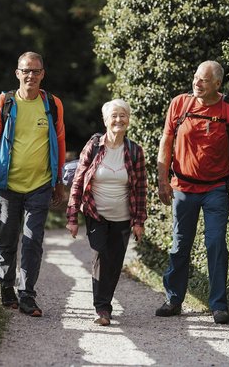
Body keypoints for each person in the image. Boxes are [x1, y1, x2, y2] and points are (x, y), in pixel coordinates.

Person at [155, 60, 229, 324]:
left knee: (216, 243)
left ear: (217, 84)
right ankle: (173, 299)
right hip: (183, 186)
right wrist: (163, 181)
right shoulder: (180, 104)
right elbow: (166, 140)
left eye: (203, 80)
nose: (197, 83)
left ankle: (218, 305)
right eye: (196, 77)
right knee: (180, 244)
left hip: (216, 188)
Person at [0, 51, 66, 317]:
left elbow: (60, 142)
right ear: (17, 73)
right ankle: (6, 287)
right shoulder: (4, 103)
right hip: (8, 185)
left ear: (43, 74)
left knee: (33, 240)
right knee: (8, 239)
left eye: (36, 71)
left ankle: (27, 294)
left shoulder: (52, 104)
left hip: (40, 185)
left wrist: (58, 181)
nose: (31, 75)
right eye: (26, 70)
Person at [66, 99, 147, 326]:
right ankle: (102, 308)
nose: (118, 120)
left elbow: (141, 188)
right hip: (95, 213)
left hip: (123, 216)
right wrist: (72, 217)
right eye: (114, 116)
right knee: (101, 255)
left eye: (123, 115)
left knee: (114, 263)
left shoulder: (134, 151)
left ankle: (105, 303)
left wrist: (139, 221)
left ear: (128, 120)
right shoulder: (93, 147)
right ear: (105, 120)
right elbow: (78, 182)